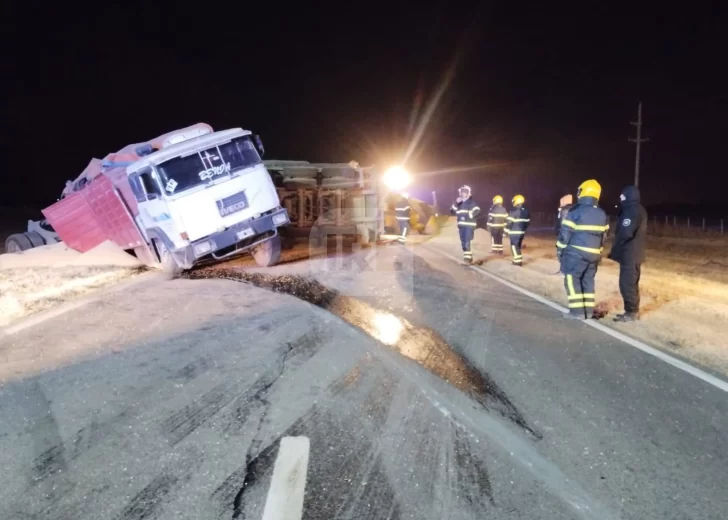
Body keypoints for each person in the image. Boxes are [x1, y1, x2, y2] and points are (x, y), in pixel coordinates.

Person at [556, 179, 609, 319]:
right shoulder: (602, 214)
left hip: (575, 254)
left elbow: (565, 234)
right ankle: (588, 311)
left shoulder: (575, 211)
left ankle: (576, 312)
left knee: (572, 280)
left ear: (584, 192)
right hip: (593, 256)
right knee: (588, 282)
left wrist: (560, 251)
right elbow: (604, 237)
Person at [608, 185, 647, 322]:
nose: (620, 198)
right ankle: (631, 311)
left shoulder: (631, 210)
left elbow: (626, 232)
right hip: (634, 253)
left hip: (629, 254)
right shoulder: (637, 209)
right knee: (631, 283)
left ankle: (631, 313)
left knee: (627, 284)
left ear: (629, 196)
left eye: (623, 196)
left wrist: (616, 246)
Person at [450, 185, 480, 263]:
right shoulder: (459, 203)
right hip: (461, 226)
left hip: (469, 225)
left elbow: (477, 209)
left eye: (465, 192)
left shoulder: (471, 202)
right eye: (462, 192)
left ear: (468, 193)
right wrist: (456, 203)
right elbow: (452, 210)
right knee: (463, 241)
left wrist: (470, 215)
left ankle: (468, 258)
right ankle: (467, 256)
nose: (463, 194)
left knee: (467, 240)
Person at [505, 194, 530, 266]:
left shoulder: (514, 210)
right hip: (521, 232)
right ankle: (517, 259)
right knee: (518, 246)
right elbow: (527, 222)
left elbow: (509, 222)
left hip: (514, 232)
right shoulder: (526, 211)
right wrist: (523, 229)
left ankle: (517, 261)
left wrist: (505, 231)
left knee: (514, 246)